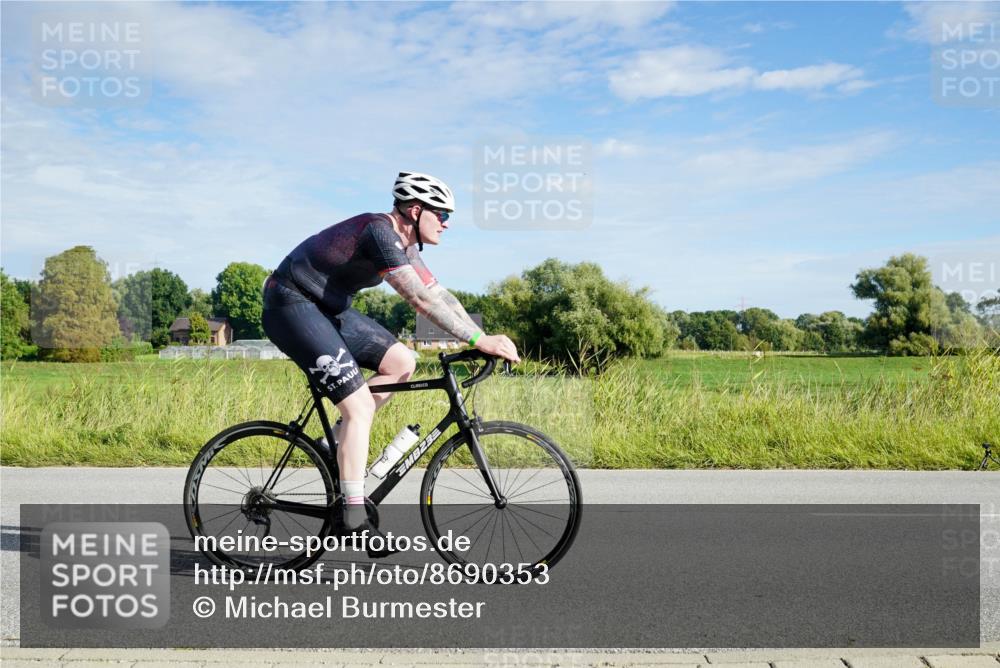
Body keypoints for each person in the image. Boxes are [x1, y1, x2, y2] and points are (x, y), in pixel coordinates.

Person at [261, 172, 520, 556]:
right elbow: (421, 302)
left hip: (327, 308)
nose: (447, 223)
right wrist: (479, 340)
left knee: (401, 360)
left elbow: (440, 295)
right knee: (359, 406)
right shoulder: (379, 233)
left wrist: (481, 338)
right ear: (415, 211)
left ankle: (332, 443)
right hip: (290, 303)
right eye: (442, 213)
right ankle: (353, 516)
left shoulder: (407, 246)